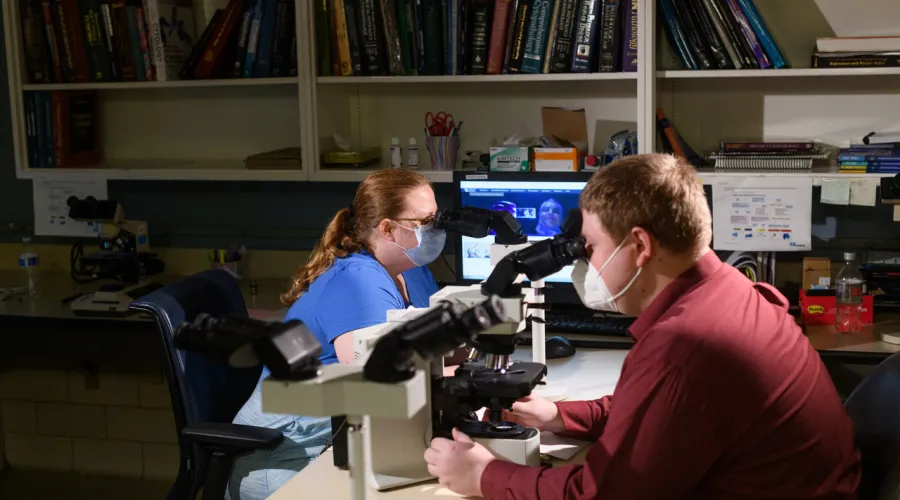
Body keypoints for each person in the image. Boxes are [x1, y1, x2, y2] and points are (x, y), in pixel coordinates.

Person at [424, 154, 861, 499]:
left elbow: (601, 495)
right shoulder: (732, 291)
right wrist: (560, 415)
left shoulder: (685, 346)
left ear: (640, 246)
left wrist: (484, 475)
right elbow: (665, 411)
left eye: (590, 247)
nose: (585, 262)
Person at [228, 169, 448, 499]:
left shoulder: (412, 271)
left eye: (436, 218)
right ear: (387, 228)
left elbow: (437, 344)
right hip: (286, 456)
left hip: (342, 440)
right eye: (424, 222)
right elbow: (380, 387)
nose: (434, 230)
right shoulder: (359, 284)